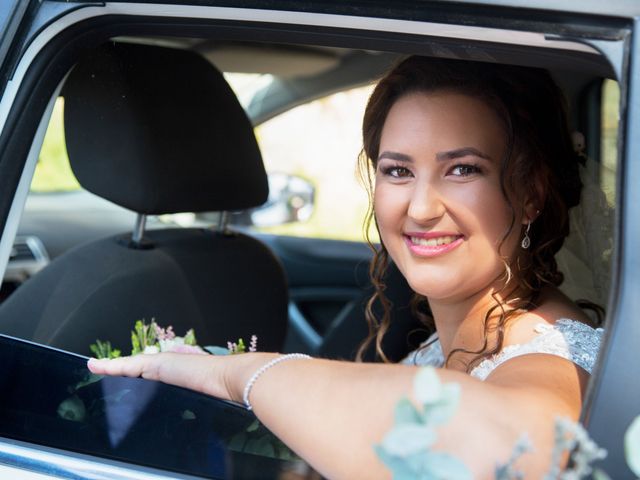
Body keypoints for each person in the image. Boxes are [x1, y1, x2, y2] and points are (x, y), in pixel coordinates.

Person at [88, 55, 605, 479]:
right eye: (398, 170)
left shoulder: (552, 350)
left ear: (532, 193)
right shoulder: (454, 334)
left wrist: (233, 374)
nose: (420, 207)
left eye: (462, 169)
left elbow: (508, 453)